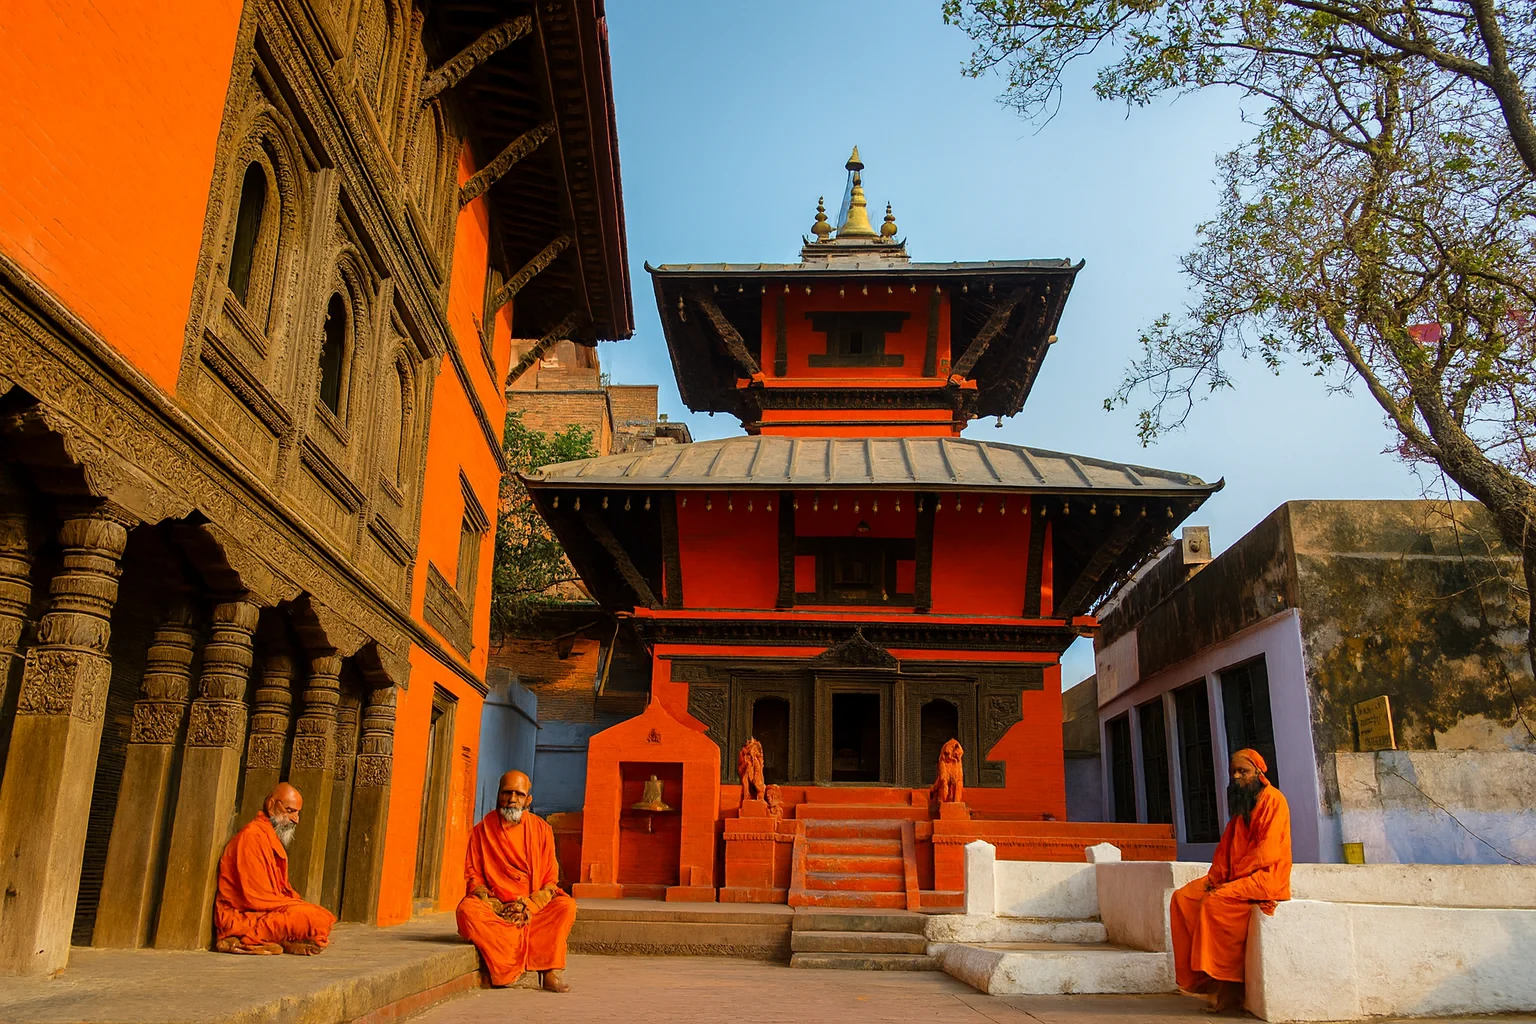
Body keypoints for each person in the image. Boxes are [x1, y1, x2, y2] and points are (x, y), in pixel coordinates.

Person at [1170, 748, 1292, 1013]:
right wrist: (1215, 878)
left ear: (1259, 773)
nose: (1237, 777)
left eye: (1243, 771)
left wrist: (1229, 881)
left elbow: (1267, 852)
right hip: (1235, 875)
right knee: (1184, 898)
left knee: (1215, 903)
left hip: (1265, 877)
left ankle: (1231, 993)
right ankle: (1205, 979)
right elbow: (1225, 849)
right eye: (1234, 772)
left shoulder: (1274, 801)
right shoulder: (1243, 805)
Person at [456, 770, 576, 991]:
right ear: (498, 795)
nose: (512, 800)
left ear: (528, 800)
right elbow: (474, 876)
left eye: (518, 794)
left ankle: (550, 970)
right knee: (467, 911)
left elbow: (551, 878)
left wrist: (528, 905)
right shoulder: (482, 831)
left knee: (565, 906)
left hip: (532, 908)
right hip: (497, 909)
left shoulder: (542, 830)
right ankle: (509, 968)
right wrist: (495, 904)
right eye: (507, 793)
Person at [214, 782, 335, 955]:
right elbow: (254, 899)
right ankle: (245, 939)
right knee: (314, 920)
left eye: (298, 813)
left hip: (265, 910)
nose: (296, 819)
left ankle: (281, 939)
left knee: (322, 916)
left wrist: (292, 902)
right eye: (290, 811)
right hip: (242, 916)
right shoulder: (251, 837)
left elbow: (279, 890)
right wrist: (292, 905)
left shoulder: (266, 836)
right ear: (271, 805)